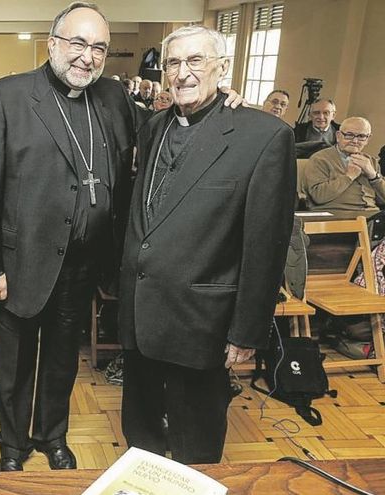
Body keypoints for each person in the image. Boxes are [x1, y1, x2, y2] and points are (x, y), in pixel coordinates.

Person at [0, 2, 143, 472]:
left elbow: (162, 129)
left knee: (64, 359)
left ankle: (51, 436)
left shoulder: (114, 97)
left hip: (84, 261)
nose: (88, 57)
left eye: (99, 47)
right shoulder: (6, 96)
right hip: (19, 262)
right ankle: (13, 446)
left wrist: (221, 99)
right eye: (79, 43)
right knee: (16, 363)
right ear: (54, 44)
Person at [119, 25, 294, 465]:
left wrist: (247, 330)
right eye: (174, 63)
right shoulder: (154, 127)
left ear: (221, 67)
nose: (182, 73)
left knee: (196, 443)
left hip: (202, 321)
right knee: (141, 437)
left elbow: (265, 245)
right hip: (140, 313)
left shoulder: (263, 136)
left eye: (195, 60)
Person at [305, 117, 382, 213]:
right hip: (338, 216)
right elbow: (318, 196)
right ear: (338, 136)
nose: (355, 141)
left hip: (371, 215)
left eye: (361, 136)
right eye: (349, 135)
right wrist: (348, 176)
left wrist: (374, 176)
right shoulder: (320, 159)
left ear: (367, 139)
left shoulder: (371, 161)